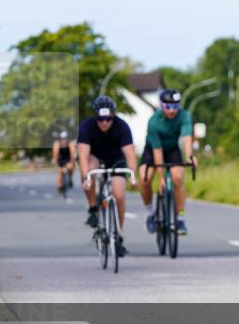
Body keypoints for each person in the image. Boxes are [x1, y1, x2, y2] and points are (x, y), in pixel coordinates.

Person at [77, 96, 137, 255]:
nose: (104, 123)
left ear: (113, 116)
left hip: (116, 159)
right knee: (89, 171)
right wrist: (86, 178)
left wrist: (133, 174)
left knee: (119, 194)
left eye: (108, 119)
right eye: (100, 119)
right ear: (95, 117)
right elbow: (83, 155)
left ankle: (118, 235)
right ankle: (92, 208)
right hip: (95, 157)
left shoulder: (122, 126)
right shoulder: (86, 127)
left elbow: (130, 153)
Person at [139, 88, 195, 235]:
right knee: (146, 179)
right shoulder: (154, 122)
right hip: (152, 149)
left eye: (175, 106)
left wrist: (190, 157)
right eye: (168, 106)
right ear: (161, 105)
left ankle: (180, 218)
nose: (172, 110)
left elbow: (187, 139)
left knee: (178, 178)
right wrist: (162, 178)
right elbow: (157, 152)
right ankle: (150, 214)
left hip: (172, 149)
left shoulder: (184, 115)